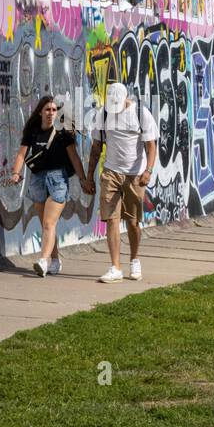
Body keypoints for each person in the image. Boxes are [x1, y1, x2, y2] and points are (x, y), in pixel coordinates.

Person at [6, 96, 93, 278]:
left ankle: (43, 260)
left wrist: (83, 179)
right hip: (37, 180)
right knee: (46, 225)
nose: (51, 113)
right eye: (47, 109)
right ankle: (55, 260)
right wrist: (15, 173)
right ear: (40, 112)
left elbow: (74, 158)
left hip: (58, 180)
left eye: (54, 110)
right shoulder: (33, 131)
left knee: (48, 223)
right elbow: (22, 154)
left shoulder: (62, 133)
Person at [87, 82, 158, 283]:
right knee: (112, 219)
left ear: (126, 98)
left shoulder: (140, 113)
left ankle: (135, 259)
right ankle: (115, 266)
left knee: (133, 221)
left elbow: (151, 146)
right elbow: (96, 147)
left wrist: (148, 171)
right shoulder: (104, 113)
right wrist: (90, 175)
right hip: (111, 172)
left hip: (135, 174)